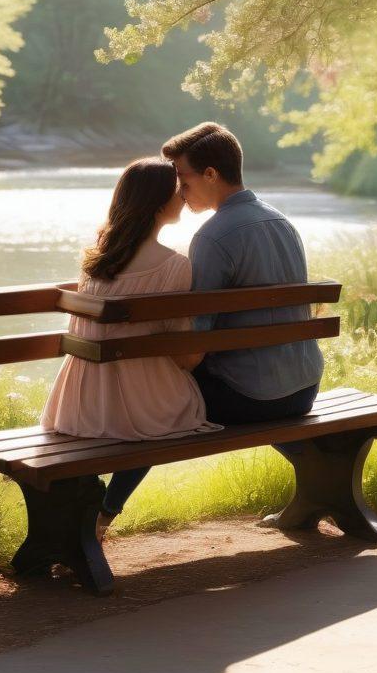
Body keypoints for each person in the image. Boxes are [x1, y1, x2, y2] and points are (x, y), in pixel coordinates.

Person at [41, 157, 217, 541]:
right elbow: (184, 355)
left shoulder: (94, 261)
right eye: (177, 191)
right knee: (171, 413)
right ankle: (104, 513)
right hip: (142, 407)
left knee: (150, 416)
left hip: (78, 403)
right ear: (158, 205)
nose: (184, 198)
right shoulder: (175, 266)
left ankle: (83, 518)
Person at [161, 122, 323, 425]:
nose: (181, 193)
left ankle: (108, 474)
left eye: (183, 181)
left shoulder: (211, 238)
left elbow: (197, 341)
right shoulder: (282, 222)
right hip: (304, 390)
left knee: (149, 395)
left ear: (211, 174)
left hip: (247, 396)